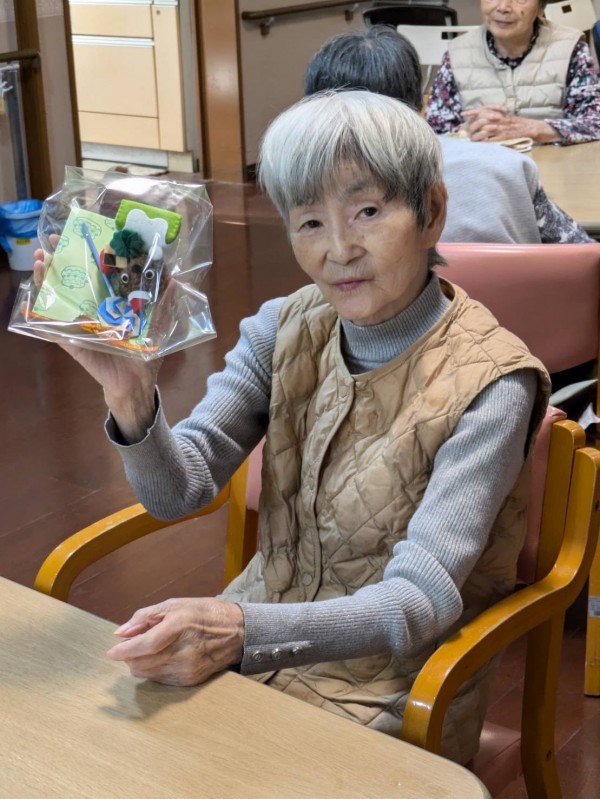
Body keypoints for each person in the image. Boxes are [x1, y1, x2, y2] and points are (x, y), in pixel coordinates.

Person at [35, 91, 550, 764]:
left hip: (392, 690)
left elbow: (416, 602)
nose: (339, 249)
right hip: (248, 655)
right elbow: (178, 490)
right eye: (309, 221)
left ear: (431, 212)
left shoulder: (494, 383)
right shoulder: (281, 327)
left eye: (368, 211)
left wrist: (241, 629)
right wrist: (131, 395)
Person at [304, 26, 594, 244]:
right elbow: (582, 253)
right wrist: (466, 133)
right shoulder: (507, 167)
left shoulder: (310, 191)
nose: (503, 5)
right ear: (416, 99)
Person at [425, 0, 600, 145]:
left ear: (540, 8)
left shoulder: (569, 47)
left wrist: (533, 129)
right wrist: (465, 132)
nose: (503, 7)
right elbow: (432, 131)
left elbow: (594, 122)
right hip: (484, 170)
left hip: (559, 169)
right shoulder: (458, 53)